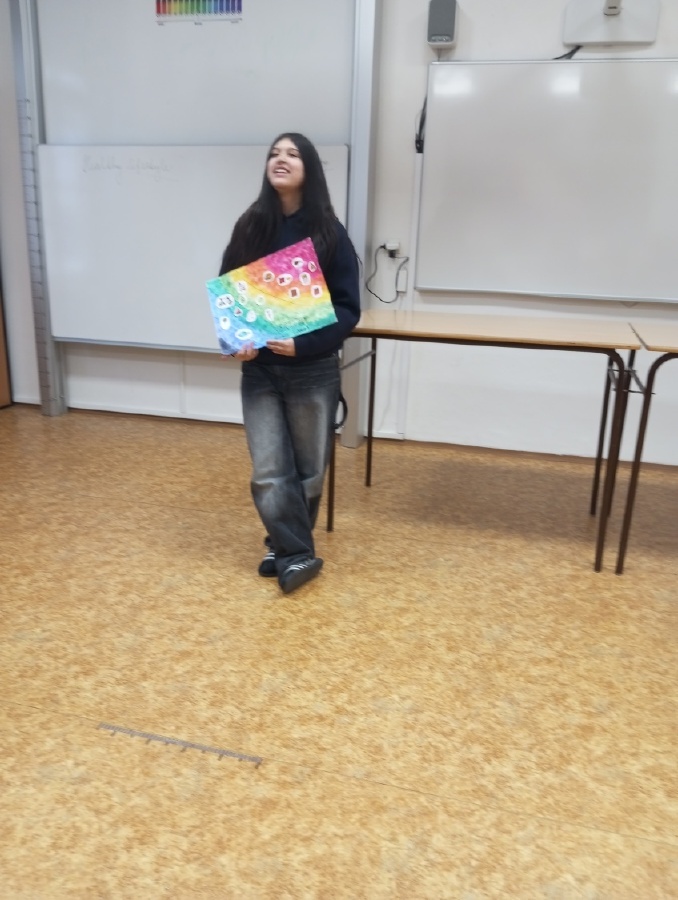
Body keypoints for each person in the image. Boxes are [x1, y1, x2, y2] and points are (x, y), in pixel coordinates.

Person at [219, 133, 361, 595]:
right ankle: (295, 553)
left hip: (312, 370)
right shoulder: (250, 225)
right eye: (274, 153)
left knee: (308, 471)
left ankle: (281, 546)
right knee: (268, 469)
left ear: (309, 169)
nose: (281, 159)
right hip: (259, 371)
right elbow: (230, 291)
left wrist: (304, 345)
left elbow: (348, 309)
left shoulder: (328, 232)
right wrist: (237, 341)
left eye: (293, 154)